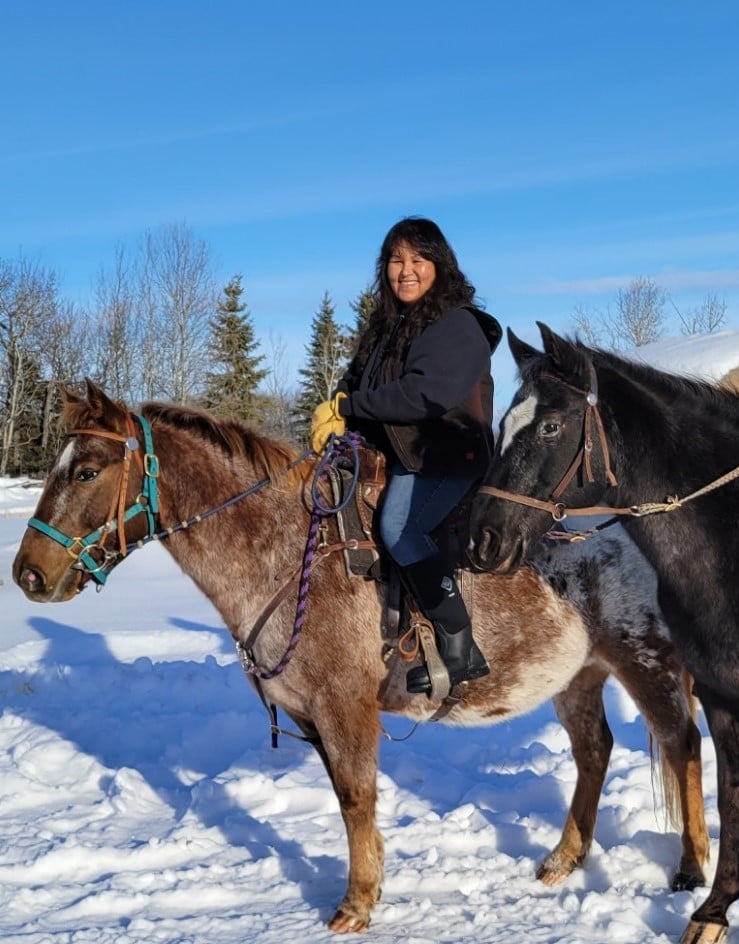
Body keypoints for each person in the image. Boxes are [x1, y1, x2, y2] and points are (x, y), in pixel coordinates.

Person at [311, 217, 502, 696]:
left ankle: (459, 644)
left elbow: (424, 395)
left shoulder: (457, 325)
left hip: (446, 454)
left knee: (400, 527)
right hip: (401, 453)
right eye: (396, 260)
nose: (406, 270)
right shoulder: (387, 327)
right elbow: (356, 380)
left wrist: (348, 408)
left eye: (418, 259)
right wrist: (336, 408)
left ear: (440, 265)